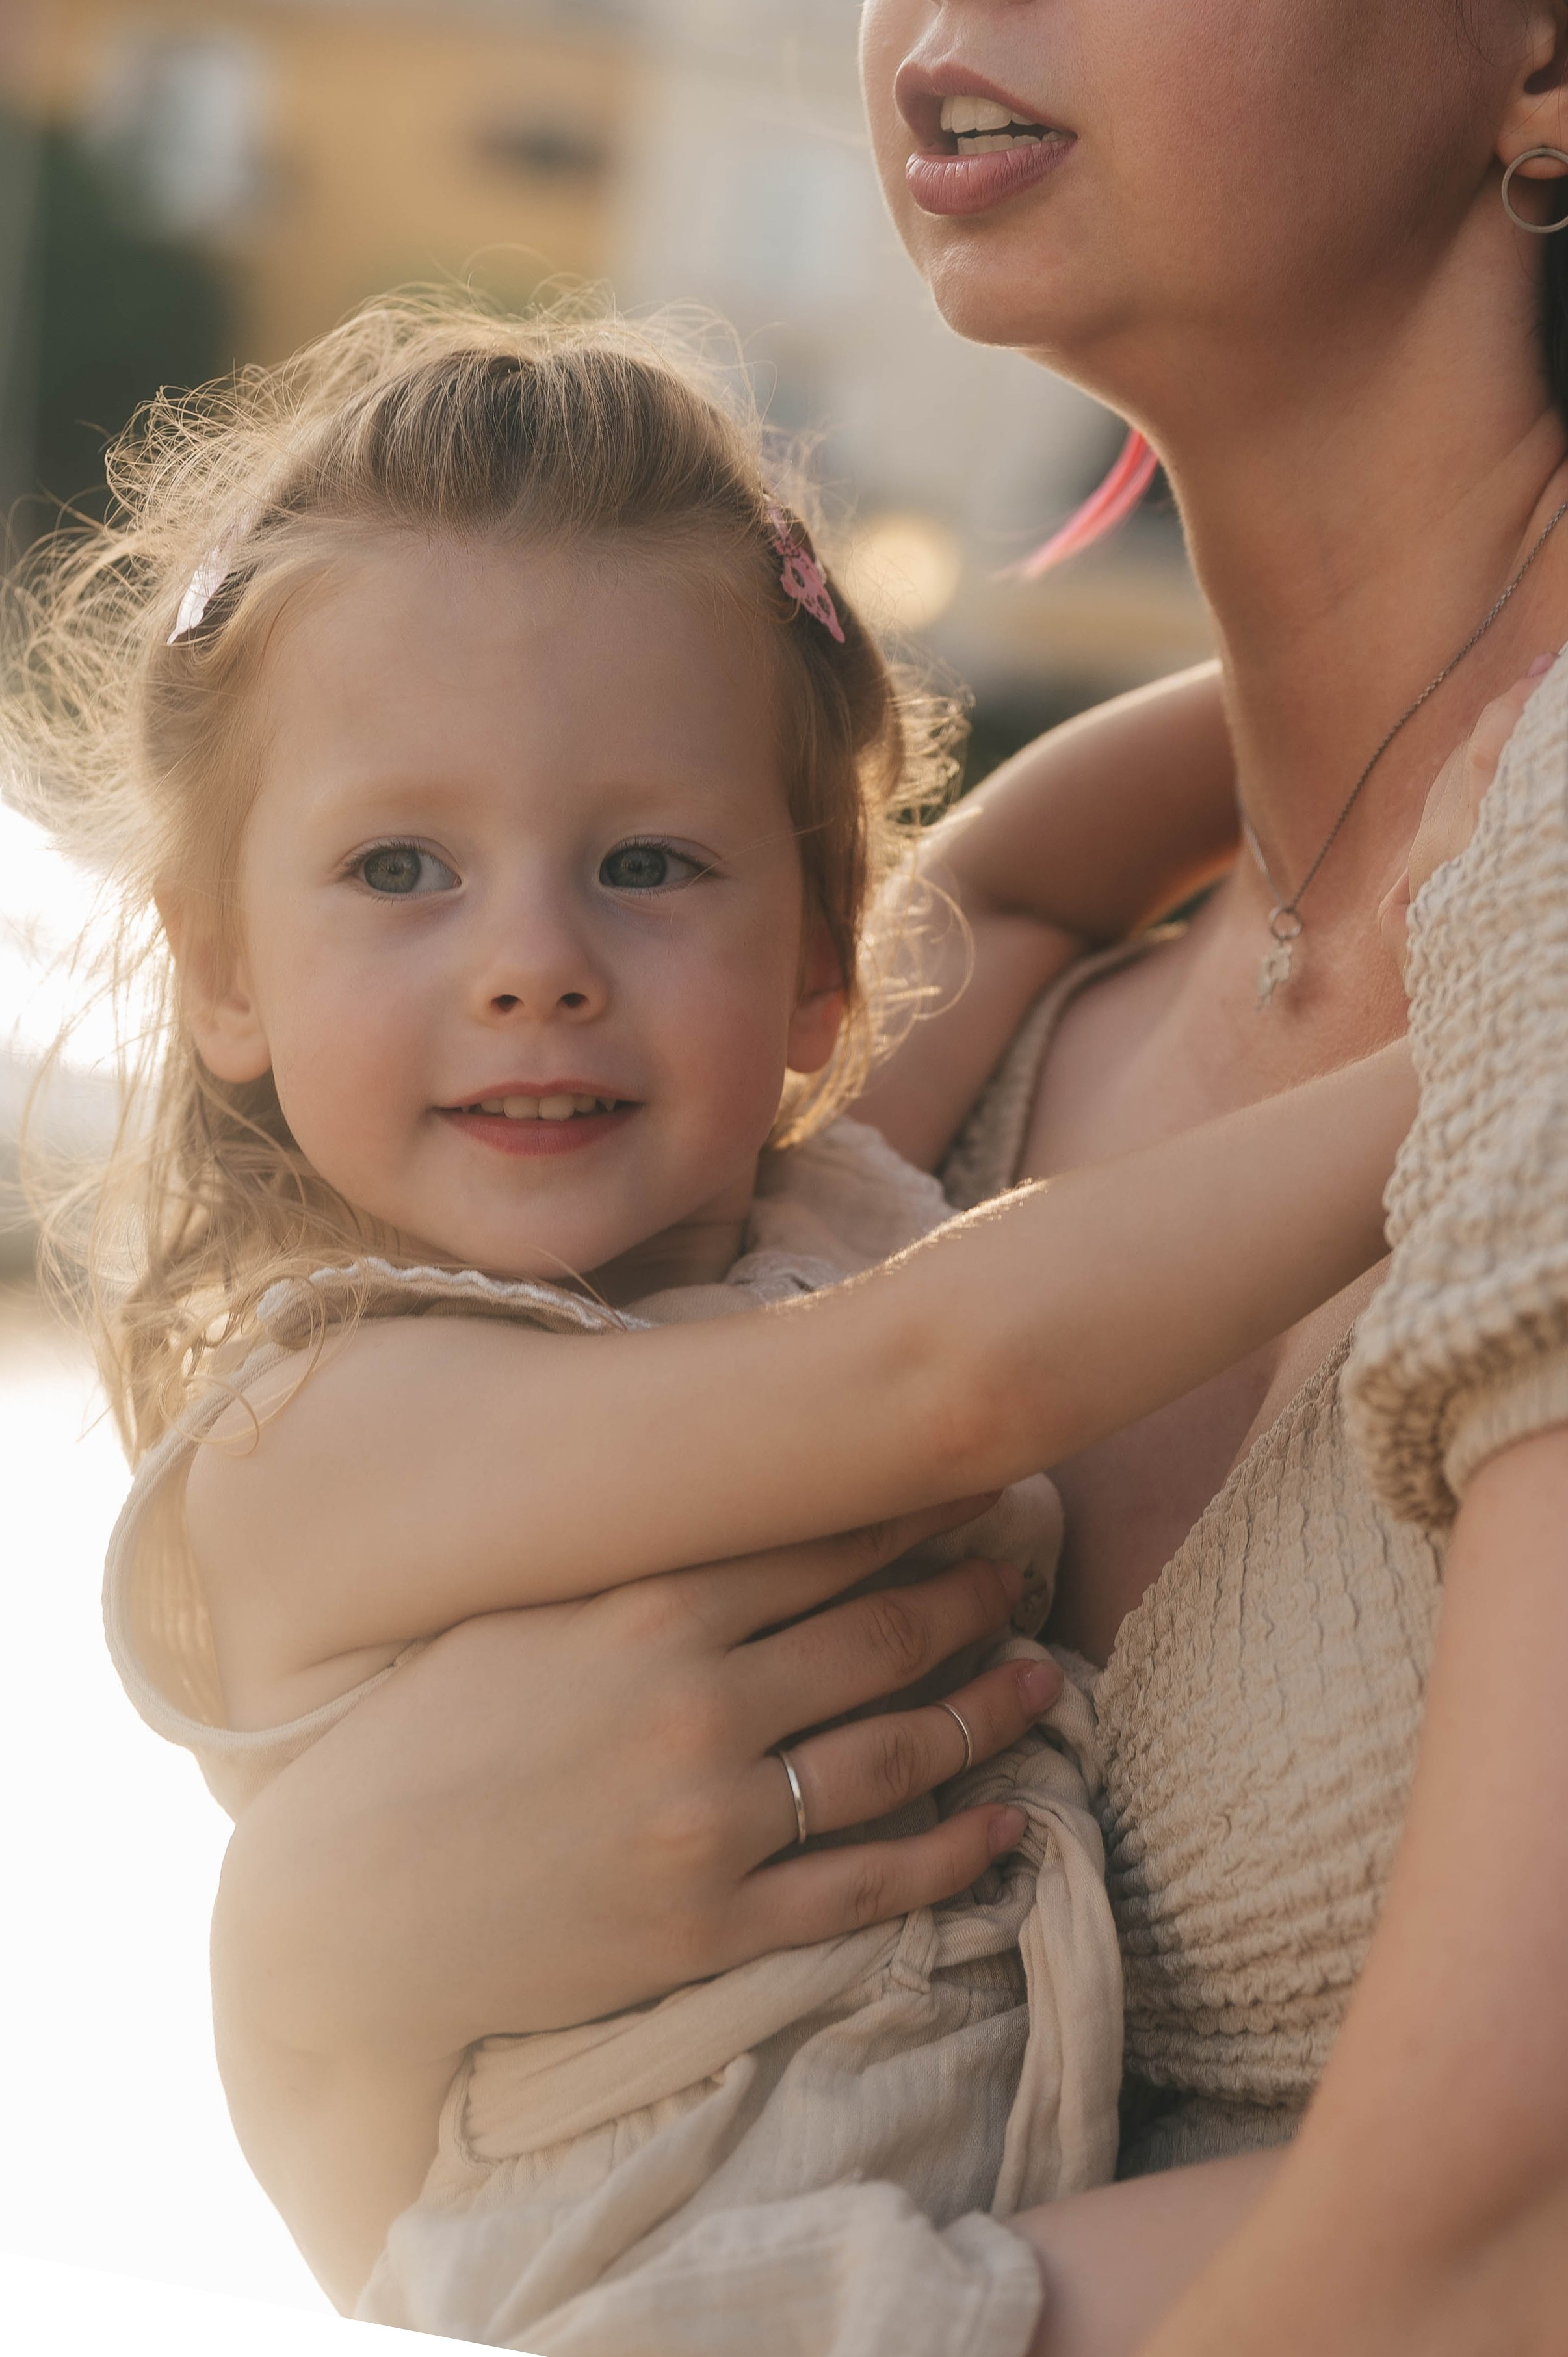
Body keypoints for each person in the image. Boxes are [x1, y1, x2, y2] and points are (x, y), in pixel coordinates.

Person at [196, 8, 1568, 2353]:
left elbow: (1483, 2220)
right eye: (401, 870)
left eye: (639, 861)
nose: (533, 966)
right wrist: (303, 1978)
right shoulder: (909, 1108)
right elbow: (997, 941)